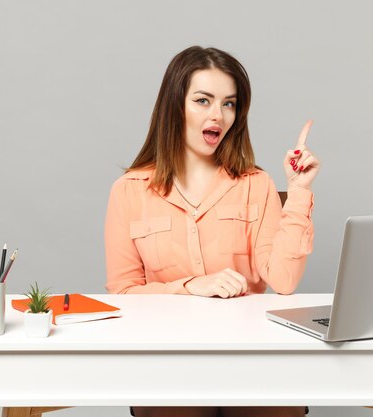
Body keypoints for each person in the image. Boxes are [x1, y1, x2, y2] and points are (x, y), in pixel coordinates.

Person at [104, 46, 320, 417]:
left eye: (229, 104)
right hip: (167, 357)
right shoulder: (128, 190)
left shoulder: (257, 183)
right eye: (203, 101)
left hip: (252, 355)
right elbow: (124, 294)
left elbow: (283, 281)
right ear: (175, 106)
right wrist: (189, 286)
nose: (218, 116)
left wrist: (298, 192)